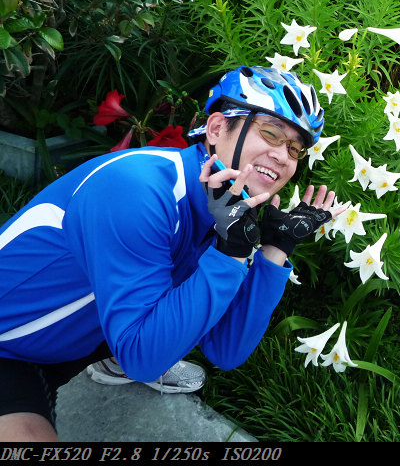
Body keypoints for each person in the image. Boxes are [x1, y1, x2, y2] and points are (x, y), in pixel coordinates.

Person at [0, 66, 340, 441]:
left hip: (74, 339)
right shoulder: (137, 190)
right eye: (271, 133)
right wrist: (231, 254)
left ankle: (116, 353)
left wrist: (277, 247)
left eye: (295, 149)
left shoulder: (225, 204)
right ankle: (123, 347)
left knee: (149, 324)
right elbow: (143, 360)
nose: (283, 156)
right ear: (215, 129)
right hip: (8, 347)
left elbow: (226, 350)